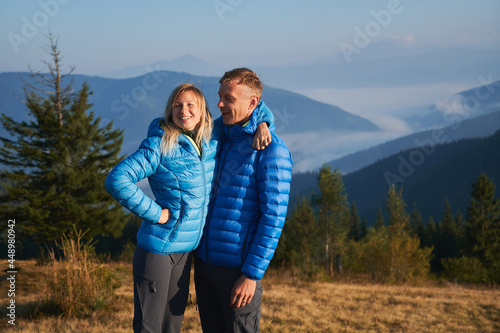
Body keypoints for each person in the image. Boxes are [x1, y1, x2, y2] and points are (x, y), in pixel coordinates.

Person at [104, 82, 273, 333]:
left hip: (186, 254)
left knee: (172, 325)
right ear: (170, 111)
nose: (184, 111)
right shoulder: (160, 145)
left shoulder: (212, 136)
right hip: (158, 251)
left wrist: (263, 123)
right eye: (177, 106)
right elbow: (116, 179)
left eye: (190, 105)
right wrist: (155, 213)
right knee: (150, 326)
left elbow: (249, 106)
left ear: (203, 111)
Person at [195, 68, 293, 332]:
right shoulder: (221, 137)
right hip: (205, 266)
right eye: (220, 96)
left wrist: (252, 274)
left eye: (228, 98)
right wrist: (263, 119)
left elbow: (272, 218)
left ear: (252, 104)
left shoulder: (272, 151)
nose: (219, 104)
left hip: (238, 272)